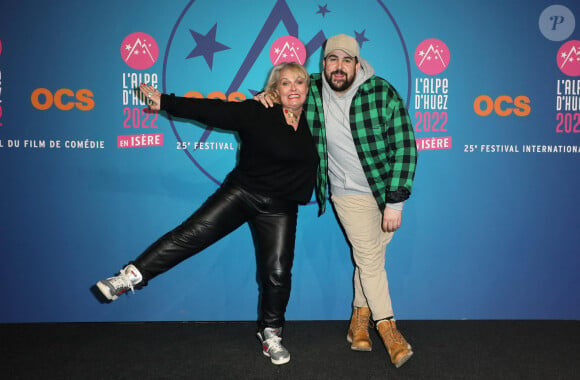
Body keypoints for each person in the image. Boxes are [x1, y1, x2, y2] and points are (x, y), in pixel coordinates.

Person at [94, 62, 318, 366]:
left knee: (277, 273)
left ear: (308, 87)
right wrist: (167, 102)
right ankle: (129, 277)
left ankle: (271, 334)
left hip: (280, 208)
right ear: (274, 89)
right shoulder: (258, 110)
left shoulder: (315, 119)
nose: (293, 88)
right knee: (191, 235)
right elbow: (213, 110)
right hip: (242, 193)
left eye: (299, 83)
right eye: (285, 83)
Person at [256, 34, 417, 368]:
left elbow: (404, 145)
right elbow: (285, 88)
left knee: (369, 257)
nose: (339, 67)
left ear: (357, 64)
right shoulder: (311, 89)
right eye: (332, 60)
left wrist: (395, 201)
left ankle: (359, 321)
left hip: (385, 190)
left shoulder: (381, 91)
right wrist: (267, 96)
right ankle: (388, 328)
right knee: (371, 260)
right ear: (323, 64)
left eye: (346, 60)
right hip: (347, 192)